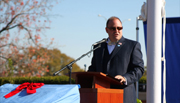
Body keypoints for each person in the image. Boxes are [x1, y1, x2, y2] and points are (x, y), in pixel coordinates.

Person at [88, 16, 144, 103]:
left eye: (119, 28)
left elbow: (139, 69)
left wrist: (125, 78)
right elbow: (93, 68)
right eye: (113, 28)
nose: (117, 31)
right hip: (102, 97)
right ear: (107, 30)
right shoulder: (98, 47)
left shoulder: (132, 45)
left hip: (124, 96)